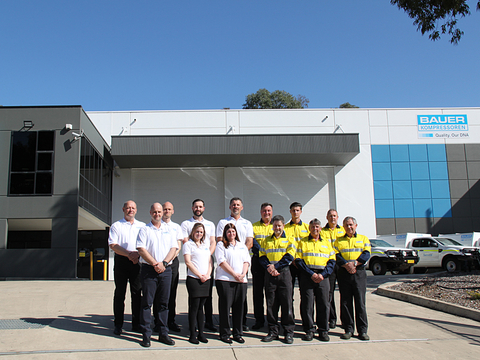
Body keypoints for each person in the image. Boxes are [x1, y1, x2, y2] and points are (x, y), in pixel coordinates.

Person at [136, 203, 179, 347]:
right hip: (149, 270)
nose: (157, 214)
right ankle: (146, 335)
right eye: (155, 212)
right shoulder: (144, 229)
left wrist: (164, 263)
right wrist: (155, 263)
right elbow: (141, 249)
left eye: (159, 212)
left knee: (163, 304)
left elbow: (174, 248)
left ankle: (163, 333)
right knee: (147, 303)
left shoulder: (169, 229)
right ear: (150, 213)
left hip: (166, 270)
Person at [216, 197, 254, 331]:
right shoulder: (222, 222)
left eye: (238, 205)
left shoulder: (247, 223)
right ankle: (225, 329)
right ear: (229, 207)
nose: (235, 206)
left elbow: (249, 242)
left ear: (242, 207)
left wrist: (239, 253)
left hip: (242, 267)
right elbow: (220, 240)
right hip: (227, 270)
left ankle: (241, 325)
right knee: (226, 302)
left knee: (241, 300)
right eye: (233, 205)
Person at [108, 200, 145, 335]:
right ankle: (118, 324)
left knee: (137, 294)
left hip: (137, 262)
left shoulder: (142, 226)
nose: (130, 210)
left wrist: (137, 255)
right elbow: (113, 245)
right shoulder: (116, 226)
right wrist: (129, 254)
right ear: (123, 209)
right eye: (128, 208)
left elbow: (145, 244)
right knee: (120, 293)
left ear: (136, 210)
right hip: (122, 261)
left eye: (133, 208)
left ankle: (136, 324)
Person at [295, 218, 336, 342]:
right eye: (312, 227)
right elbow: (298, 260)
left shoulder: (327, 243)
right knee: (307, 304)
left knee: (324, 303)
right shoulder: (302, 242)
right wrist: (311, 274)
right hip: (308, 276)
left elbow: (332, 261)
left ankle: (323, 330)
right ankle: (309, 330)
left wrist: (323, 275)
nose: (315, 229)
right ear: (309, 228)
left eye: (317, 227)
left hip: (323, 276)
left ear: (320, 228)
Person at [181, 199, 217, 332]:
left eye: (200, 206)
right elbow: (186, 241)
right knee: (194, 297)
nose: (198, 208)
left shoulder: (210, 224)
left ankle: (208, 321)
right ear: (192, 208)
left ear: (204, 208)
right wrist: (199, 253)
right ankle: (193, 324)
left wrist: (207, 254)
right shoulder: (186, 224)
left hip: (206, 259)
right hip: (193, 260)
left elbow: (213, 241)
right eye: (196, 206)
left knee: (208, 295)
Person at [259, 215, 296, 344]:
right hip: (270, 275)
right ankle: (273, 331)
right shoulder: (266, 240)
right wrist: (269, 267)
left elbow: (289, 256)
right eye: (275, 226)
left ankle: (288, 332)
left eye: (279, 225)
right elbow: (261, 256)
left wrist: (276, 266)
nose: (277, 228)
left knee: (287, 304)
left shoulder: (290, 239)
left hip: (284, 274)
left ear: (283, 226)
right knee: (271, 304)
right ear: (272, 226)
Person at [333, 216, 371, 341]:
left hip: (358, 273)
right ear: (343, 227)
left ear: (355, 225)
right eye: (346, 225)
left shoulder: (363, 239)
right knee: (345, 302)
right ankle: (348, 329)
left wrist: (354, 264)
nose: (349, 227)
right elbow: (336, 255)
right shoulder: (338, 241)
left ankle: (362, 331)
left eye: (351, 225)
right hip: (344, 273)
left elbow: (366, 254)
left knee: (360, 302)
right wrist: (347, 265)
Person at [215, 223, 251, 344]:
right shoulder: (221, 245)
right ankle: (225, 334)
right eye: (229, 232)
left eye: (233, 232)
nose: (231, 234)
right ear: (225, 233)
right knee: (225, 308)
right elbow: (221, 261)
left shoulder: (242, 246)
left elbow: (246, 261)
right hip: (225, 280)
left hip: (241, 281)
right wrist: (234, 274)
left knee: (239, 308)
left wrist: (243, 274)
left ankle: (238, 333)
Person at [153, 201, 183, 333]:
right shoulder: (155, 225)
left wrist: (167, 261)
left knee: (171, 293)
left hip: (172, 262)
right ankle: (157, 322)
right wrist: (160, 262)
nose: (166, 211)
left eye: (169, 209)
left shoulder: (176, 227)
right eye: (164, 209)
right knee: (156, 293)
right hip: (156, 262)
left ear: (173, 211)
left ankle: (171, 321)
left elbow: (178, 246)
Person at [183, 223, 212, 344]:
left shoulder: (205, 245)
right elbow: (188, 262)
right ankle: (192, 334)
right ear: (192, 232)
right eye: (197, 231)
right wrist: (199, 275)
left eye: (201, 232)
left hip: (206, 279)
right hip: (194, 279)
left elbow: (210, 261)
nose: (199, 234)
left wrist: (207, 275)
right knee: (194, 307)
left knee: (201, 308)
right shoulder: (188, 244)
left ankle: (201, 333)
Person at [320, 209, 345, 330]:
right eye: (330, 216)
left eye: (334, 216)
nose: (332, 218)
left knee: (344, 293)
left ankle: (345, 320)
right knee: (328, 294)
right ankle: (332, 319)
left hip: (341, 264)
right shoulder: (322, 231)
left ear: (338, 217)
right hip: (328, 264)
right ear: (327, 217)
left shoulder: (343, 230)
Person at [284, 202, 309, 317]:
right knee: (289, 293)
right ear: (290, 212)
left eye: (297, 210)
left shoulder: (307, 228)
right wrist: (292, 259)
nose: (295, 212)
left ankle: (305, 320)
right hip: (290, 264)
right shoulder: (285, 228)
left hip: (303, 264)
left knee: (305, 293)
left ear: (301, 212)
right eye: (293, 210)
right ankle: (290, 318)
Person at [251, 202, 273, 330]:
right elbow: (253, 243)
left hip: (272, 264)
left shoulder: (276, 226)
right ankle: (259, 320)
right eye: (264, 211)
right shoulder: (253, 226)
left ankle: (272, 320)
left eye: (269, 211)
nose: (267, 213)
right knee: (257, 293)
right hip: (258, 263)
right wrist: (263, 255)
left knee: (271, 294)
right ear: (261, 212)